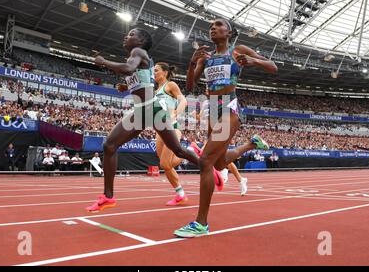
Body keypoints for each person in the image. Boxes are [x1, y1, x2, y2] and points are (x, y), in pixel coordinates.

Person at [175, 18, 277, 238]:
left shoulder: (237, 50)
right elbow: (191, 86)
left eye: (218, 25)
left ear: (229, 32)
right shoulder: (206, 57)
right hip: (211, 109)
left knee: (205, 161)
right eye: (210, 26)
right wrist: (193, 62)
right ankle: (252, 143)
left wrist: (251, 61)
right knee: (220, 162)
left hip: (230, 109)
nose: (212, 28)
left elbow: (273, 66)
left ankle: (201, 223)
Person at [86, 28, 200, 213]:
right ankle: (108, 197)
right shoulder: (138, 56)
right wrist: (127, 85)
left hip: (152, 110)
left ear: (140, 41)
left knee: (177, 150)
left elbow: (129, 68)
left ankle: (208, 167)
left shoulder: (137, 52)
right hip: (141, 111)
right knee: (109, 145)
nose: (126, 36)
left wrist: (103, 61)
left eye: (131, 34)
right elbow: (142, 80)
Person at [154, 62, 189, 206]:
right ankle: (180, 194)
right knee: (166, 166)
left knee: (164, 163)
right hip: (159, 130)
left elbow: (183, 101)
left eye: (156, 70)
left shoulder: (170, 85)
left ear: (165, 72)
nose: (154, 73)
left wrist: (176, 112)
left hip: (172, 128)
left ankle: (189, 152)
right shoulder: (156, 90)